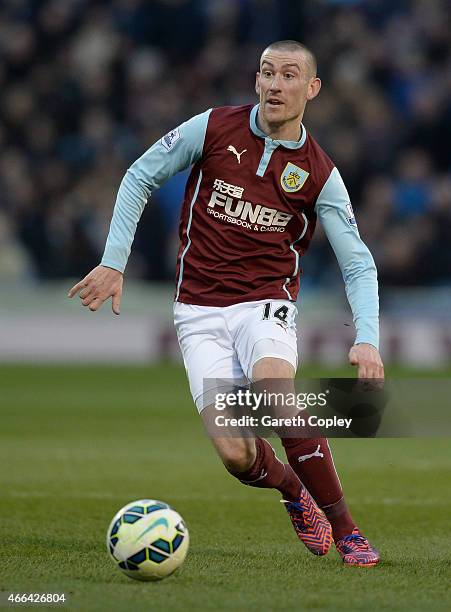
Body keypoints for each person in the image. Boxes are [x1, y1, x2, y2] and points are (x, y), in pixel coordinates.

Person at [68, 40, 383, 566]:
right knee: (237, 454)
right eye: (266, 73)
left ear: (312, 89)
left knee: (277, 397)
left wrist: (367, 338)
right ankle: (291, 490)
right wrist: (113, 260)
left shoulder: (320, 173)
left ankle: (347, 530)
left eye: (288, 75)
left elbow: (358, 261)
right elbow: (139, 175)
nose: (275, 85)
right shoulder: (214, 127)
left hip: (266, 303)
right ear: (255, 79)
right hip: (197, 310)